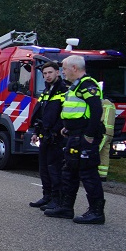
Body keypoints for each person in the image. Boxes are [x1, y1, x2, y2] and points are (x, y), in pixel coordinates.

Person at [45, 55, 105, 224]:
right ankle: (66, 207)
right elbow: (77, 110)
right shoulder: (75, 86)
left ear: (74, 68)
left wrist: (89, 135)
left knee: (88, 173)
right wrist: (68, 127)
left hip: (84, 136)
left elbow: (96, 111)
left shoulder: (88, 85)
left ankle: (96, 211)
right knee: (69, 172)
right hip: (74, 134)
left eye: (64, 69)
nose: (62, 72)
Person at [28, 62, 68, 209]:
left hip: (56, 137)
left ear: (57, 73)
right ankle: (47, 196)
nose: (47, 76)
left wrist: (57, 131)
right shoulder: (46, 91)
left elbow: (64, 115)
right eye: (44, 74)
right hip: (45, 135)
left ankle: (57, 200)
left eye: (50, 73)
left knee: (54, 169)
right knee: (44, 168)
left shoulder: (64, 91)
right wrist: (36, 132)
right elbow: (41, 114)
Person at [98, 94, 116, 181]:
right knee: (104, 154)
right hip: (110, 133)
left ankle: (84, 172)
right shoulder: (112, 105)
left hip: (103, 132)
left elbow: (101, 118)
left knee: (94, 151)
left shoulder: (104, 103)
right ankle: (103, 175)